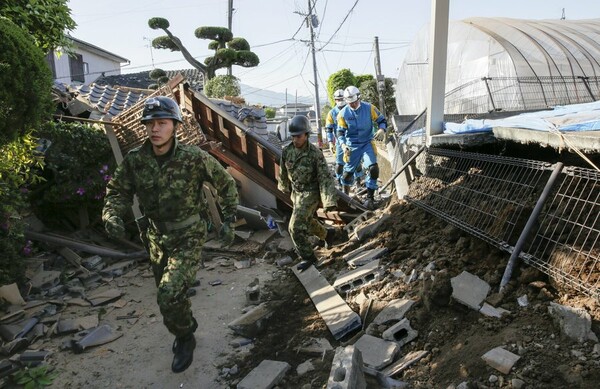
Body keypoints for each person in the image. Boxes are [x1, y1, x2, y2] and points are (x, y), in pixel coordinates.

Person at [102, 96, 239, 373]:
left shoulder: (193, 158)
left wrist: (229, 220)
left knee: (168, 293)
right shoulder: (135, 161)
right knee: (169, 296)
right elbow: (117, 192)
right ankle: (184, 324)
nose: (155, 129)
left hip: (189, 235)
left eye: (162, 123)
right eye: (150, 124)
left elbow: (225, 184)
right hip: (155, 238)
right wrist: (112, 215)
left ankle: (185, 336)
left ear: (174, 125)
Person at [278, 115, 338, 271]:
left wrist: (329, 201)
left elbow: (325, 178)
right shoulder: (287, 151)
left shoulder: (314, 153)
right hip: (296, 194)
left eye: (298, 136)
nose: (295, 139)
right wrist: (283, 187)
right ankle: (327, 234)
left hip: (311, 193)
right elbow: (283, 171)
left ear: (306, 134)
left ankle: (309, 258)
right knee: (306, 220)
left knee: (295, 227)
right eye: (293, 136)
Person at [337, 85, 387, 209]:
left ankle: (370, 199)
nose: (352, 105)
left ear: (359, 97)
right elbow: (340, 132)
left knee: (373, 168)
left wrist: (382, 129)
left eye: (354, 102)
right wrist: (343, 145)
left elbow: (382, 120)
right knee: (347, 174)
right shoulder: (343, 114)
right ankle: (345, 196)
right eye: (350, 103)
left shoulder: (370, 108)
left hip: (367, 143)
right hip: (351, 146)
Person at [325, 89, 347, 185]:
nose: (340, 100)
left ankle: (358, 182)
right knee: (340, 163)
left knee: (356, 163)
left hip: (352, 140)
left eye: (342, 98)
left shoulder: (351, 109)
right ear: (335, 100)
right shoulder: (331, 113)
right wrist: (330, 142)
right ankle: (339, 181)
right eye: (338, 99)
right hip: (339, 141)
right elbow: (329, 129)